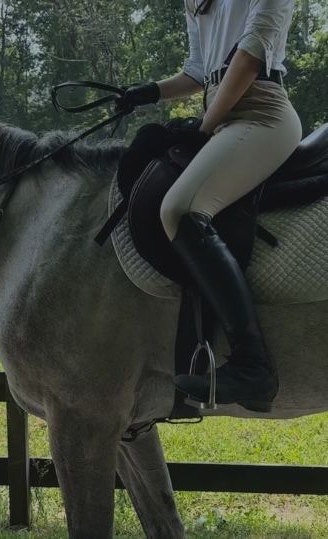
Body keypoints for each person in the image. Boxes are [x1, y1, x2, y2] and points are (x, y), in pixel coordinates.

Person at [118, 0, 302, 412]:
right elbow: (200, 72)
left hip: (263, 115)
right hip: (223, 116)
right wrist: (150, 92)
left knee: (179, 209)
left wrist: (204, 125)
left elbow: (251, 56)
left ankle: (254, 365)